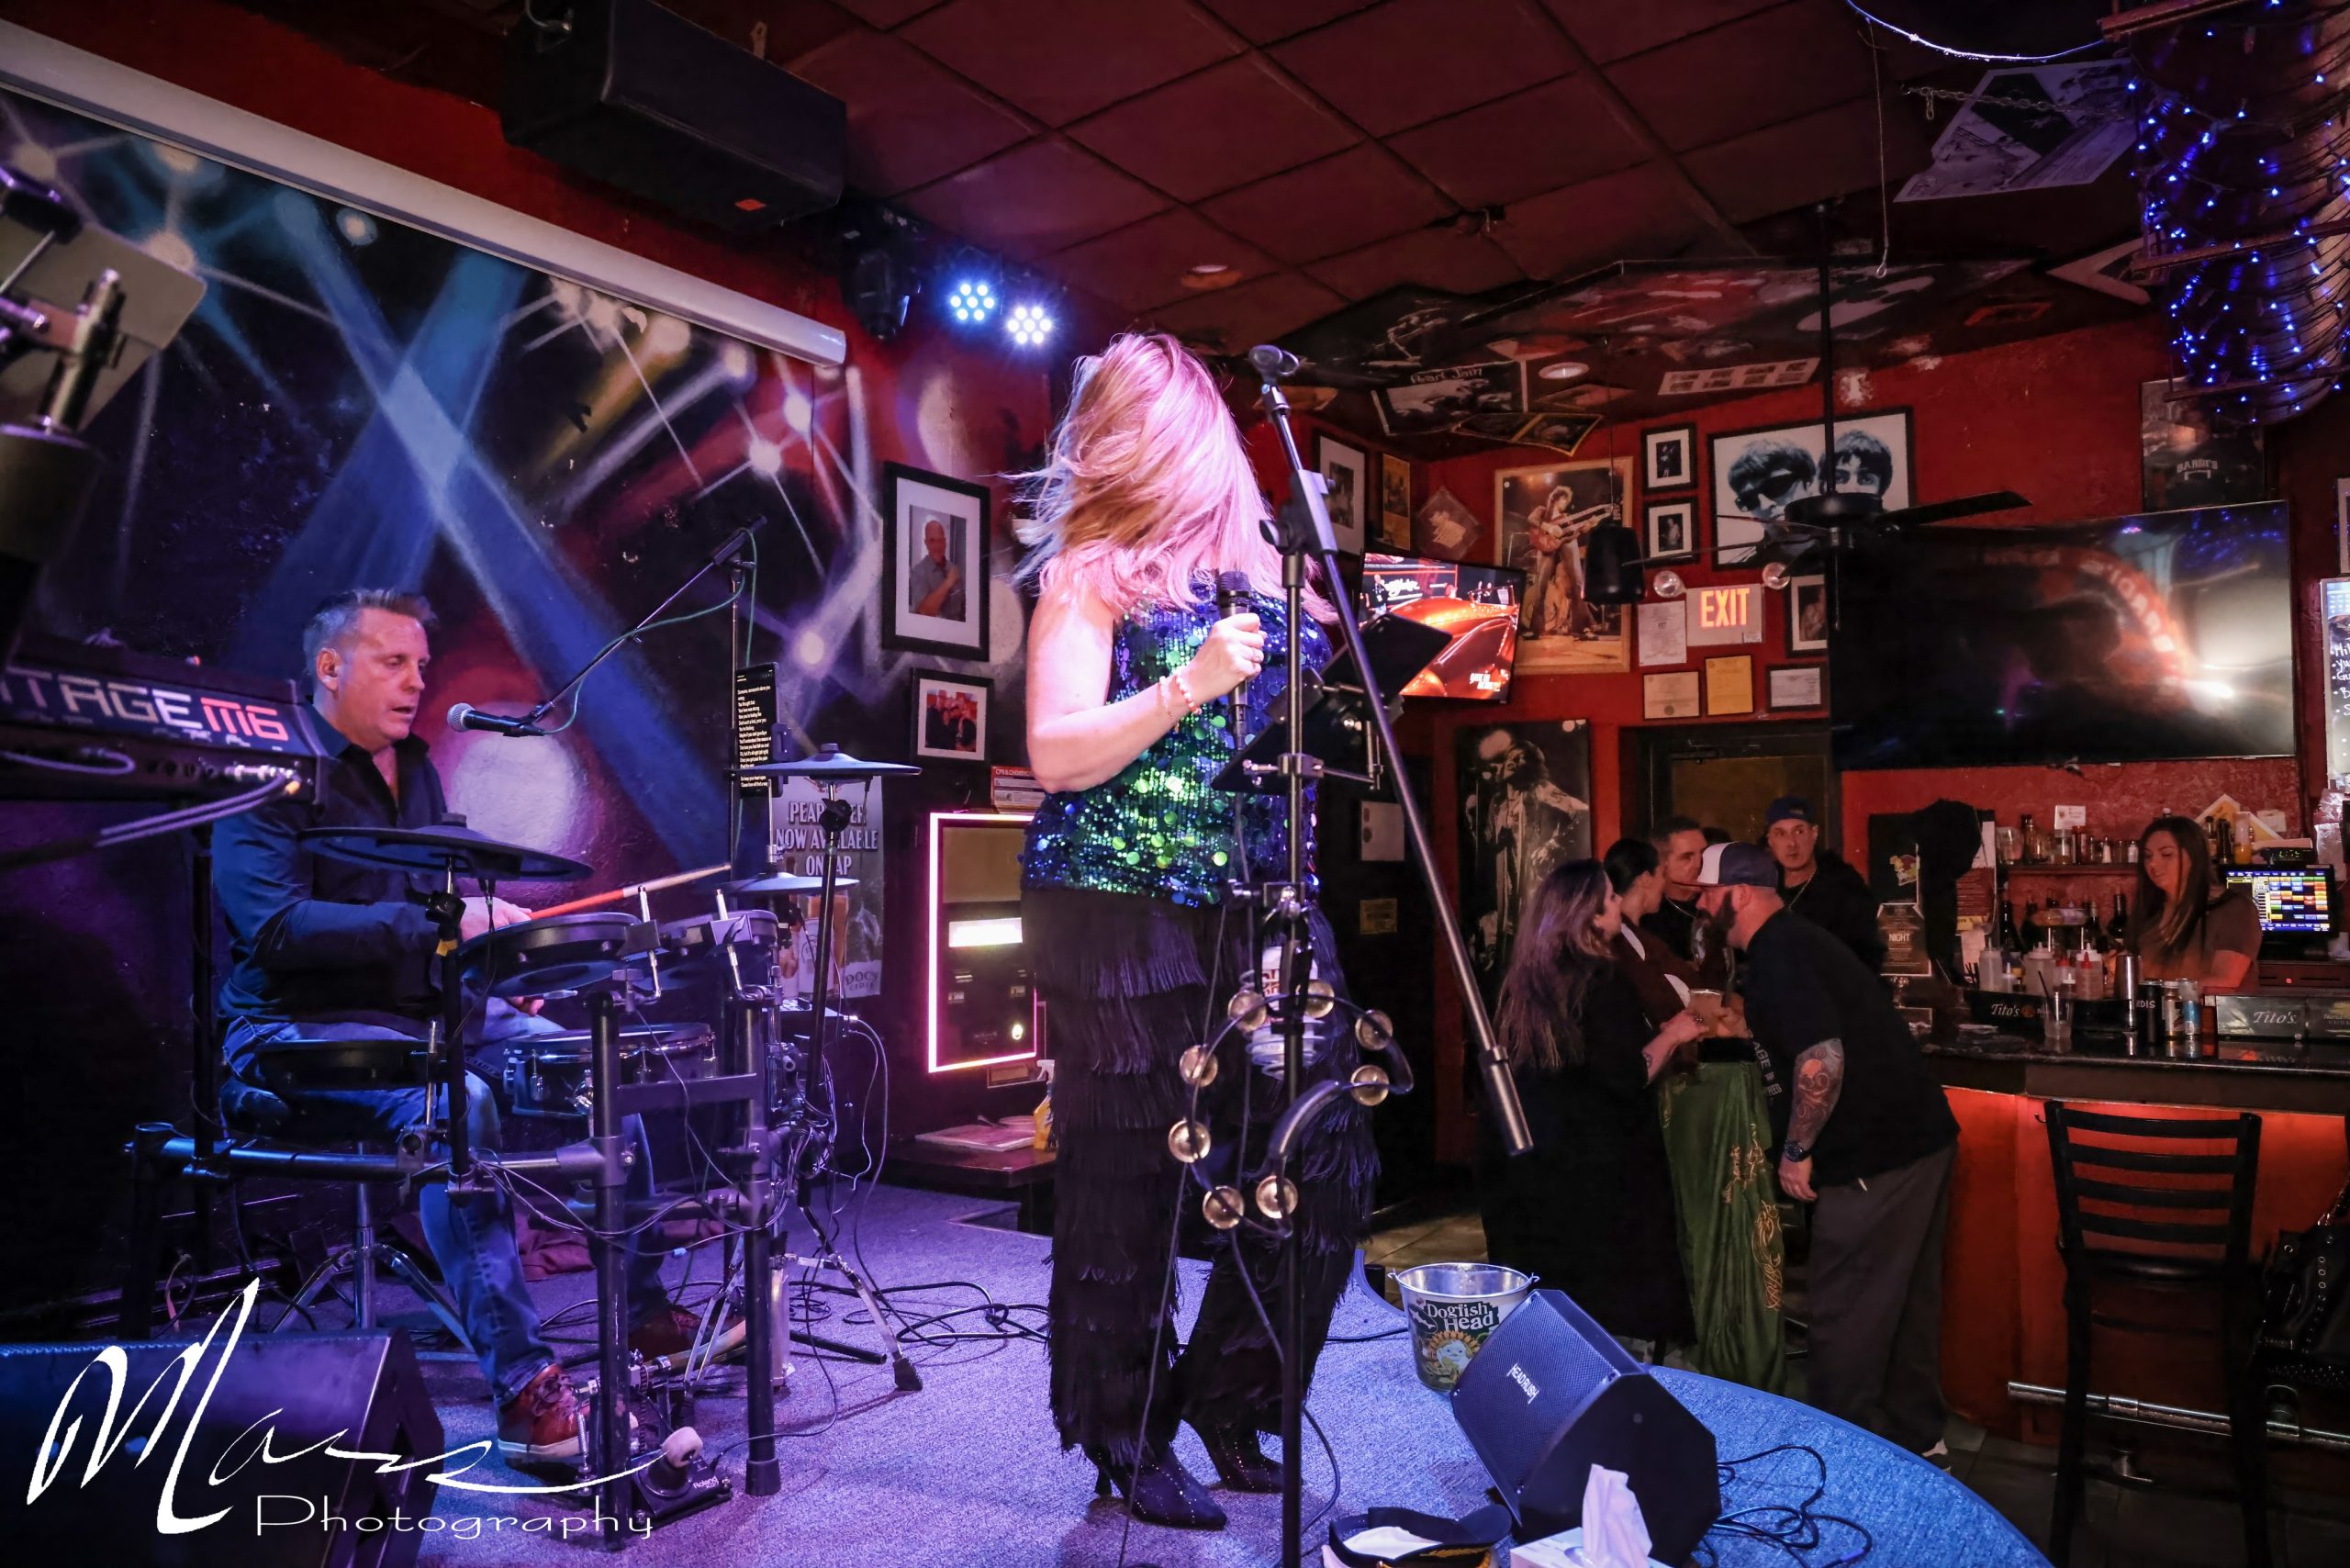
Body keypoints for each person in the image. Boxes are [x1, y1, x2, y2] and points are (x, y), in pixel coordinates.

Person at [212, 590, 707, 1469]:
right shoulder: (269, 773)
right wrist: (444, 928)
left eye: (421, 664)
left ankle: (644, 1311)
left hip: (426, 1016)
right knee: (459, 1106)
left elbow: (441, 919)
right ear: (330, 668)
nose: (417, 681)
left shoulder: (416, 770)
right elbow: (274, 928)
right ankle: (523, 1386)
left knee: (600, 1064)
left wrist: (491, 952)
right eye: (393, 662)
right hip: (293, 1034)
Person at [1016, 333, 1375, 1529]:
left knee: (1324, 1155)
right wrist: (1186, 686)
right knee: (1130, 1177)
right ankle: (1122, 1433)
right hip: (1120, 907)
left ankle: (1231, 1395)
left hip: (1263, 901)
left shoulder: (1274, 573)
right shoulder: (1092, 571)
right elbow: (1055, 752)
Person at [1695, 841, 1959, 1461]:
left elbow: (1822, 1057)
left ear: (1738, 894)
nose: (1700, 907)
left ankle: (1838, 1461)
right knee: (1903, 1306)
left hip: (1877, 1153)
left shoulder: (1781, 953)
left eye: (1707, 895)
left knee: (1847, 1310)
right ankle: (1917, 1440)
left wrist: (1795, 1150)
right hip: (1917, 1141)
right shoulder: (1792, 944)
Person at [1478, 860, 1700, 1356]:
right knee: (1607, 1310)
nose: (1620, 903)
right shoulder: (1602, 981)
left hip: (1532, 1160)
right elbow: (1626, 1074)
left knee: (1552, 1301)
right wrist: (1674, 1034)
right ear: (1591, 916)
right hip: (1596, 1166)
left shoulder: (1520, 980)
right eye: (1611, 898)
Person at [1606, 839, 1788, 1394]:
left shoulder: (1648, 939)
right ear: (1647, 876)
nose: (1690, 889)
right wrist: (1696, 1024)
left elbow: (1701, 1001)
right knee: (1697, 1224)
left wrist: (1717, 1015)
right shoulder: (1620, 949)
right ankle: (1712, 1343)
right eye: (1677, 866)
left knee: (1712, 1223)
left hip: (1698, 1088)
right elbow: (1679, 1016)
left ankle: (1726, 1341)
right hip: (1679, 1097)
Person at [2130, 814, 2260, 992]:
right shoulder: (2150, 913)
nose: (2153, 863)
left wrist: (2165, 995)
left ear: (2194, 856)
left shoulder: (2233, 909)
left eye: (2166, 854)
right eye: (2147, 856)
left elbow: (2224, 980)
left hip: (2212, 1011)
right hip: (2158, 1010)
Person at [1764, 795, 1886, 971]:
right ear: (1770, 840)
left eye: (1799, 832)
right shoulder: (1763, 886)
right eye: (1780, 833)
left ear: (1814, 833)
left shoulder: (1844, 886)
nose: (1791, 843)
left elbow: (1863, 956)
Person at [1639, 815, 1723, 981]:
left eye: (1703, 854)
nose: (1699, 864)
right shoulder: (1649, 917)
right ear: (1662, 863)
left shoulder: (1720, 903)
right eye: (1687, 857)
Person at [909, 514, 966, 619]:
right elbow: (925, 611)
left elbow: (964, 610)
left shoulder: (954, 569)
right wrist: (948, 582)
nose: (937, 546)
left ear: (945, 542)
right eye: (932, 541)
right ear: (926, 543)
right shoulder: (918, 572)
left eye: (940, 540)